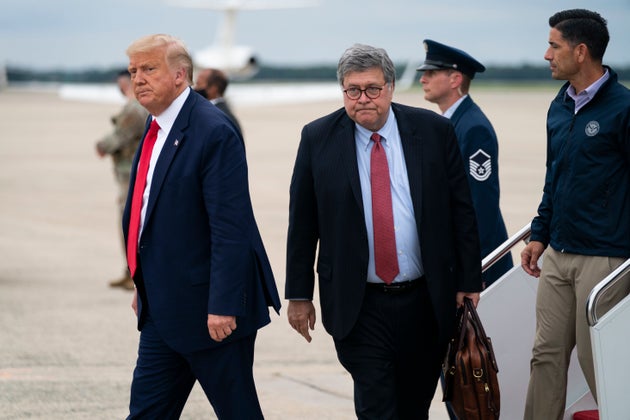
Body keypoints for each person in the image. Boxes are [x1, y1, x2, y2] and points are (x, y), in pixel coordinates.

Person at [285, 43, 482, 419]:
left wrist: (469, 279)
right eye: (352, 90)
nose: (363, 99)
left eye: (372, 88)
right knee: (376, 406)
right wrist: (298, 294)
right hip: (359, 302)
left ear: (390, 87)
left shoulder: (434, 131)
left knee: (413, 406)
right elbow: (303, 222)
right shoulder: (317, 138)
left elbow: (462, 211)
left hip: (424, 300)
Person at [122, 34, 281, 419]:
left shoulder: (213, 130)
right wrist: (142, 281)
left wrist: (224, 304)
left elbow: (231, 226)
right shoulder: (156, 124)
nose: (137, 79)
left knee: (238, 412)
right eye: (133, 71)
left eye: (148, 69)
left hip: (213, 313)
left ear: (180, 75)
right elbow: (151, 211)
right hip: (163, 307)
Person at [521, 9, 630, 420]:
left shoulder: (622, 108)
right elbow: (555, 176)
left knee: (598, 363)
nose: (547, 54)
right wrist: (538, 233)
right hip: (558, 254)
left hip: (604, 258)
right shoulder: (560, 105)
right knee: (544, 356)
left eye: (554, 45)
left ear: (581, 51)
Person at [418, 39, 513, 288]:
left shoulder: (473, 128)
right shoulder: (451, 124)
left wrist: (473, 269)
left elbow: (481, 204)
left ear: (455, 79)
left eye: (431, 72)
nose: (422, 79)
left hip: (476, 263)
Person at [95, 69, 149, 291]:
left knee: (130, 223)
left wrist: (102, 146)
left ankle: (134, 274)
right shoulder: (137, 105)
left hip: (131, 175)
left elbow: (118, 136)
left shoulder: (135, 107)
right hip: (129, 172)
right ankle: (130, 272)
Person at [194, 67, 242, 135]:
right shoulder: (225, 113)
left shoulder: (213, 115)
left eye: (198, 84)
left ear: (213, 88)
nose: (195, 88)